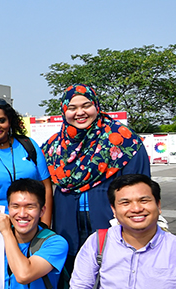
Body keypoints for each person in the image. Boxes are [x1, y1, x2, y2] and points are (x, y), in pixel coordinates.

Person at [41, 84, 149, 260]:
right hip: (66, 224)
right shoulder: (54, 146)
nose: (80, 112)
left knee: (112, 266)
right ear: (64, 111)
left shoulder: (123, 140)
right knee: (72, 269)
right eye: (72, 108)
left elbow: (140, 188)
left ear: (96, 106)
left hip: (109, 221)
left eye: (86, 106)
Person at [0, 99, 53, 225]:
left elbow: (47, 188)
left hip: (33, 226)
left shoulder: (29, 145)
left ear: (10, 121)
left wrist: (45, 227)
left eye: (1, 120)